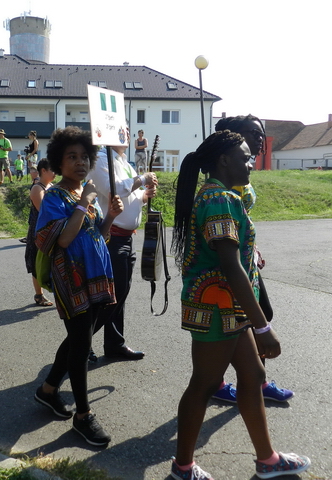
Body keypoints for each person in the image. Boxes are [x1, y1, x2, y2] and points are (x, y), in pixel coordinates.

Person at [169, 130, 310, 480]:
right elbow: (231, 267)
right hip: (217, 308)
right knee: (204, 384)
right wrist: (263, 327)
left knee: (253, 375)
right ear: (223, 160)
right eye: (245, 157)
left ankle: (268, 459)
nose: (251, 163)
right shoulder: (219, 199)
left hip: (229, 308)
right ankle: (182, 468)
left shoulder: (222, 195)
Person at [34, 126, 123, 447]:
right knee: (81, 344)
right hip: (72, 279)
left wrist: (109, 217)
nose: (80, 162)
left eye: (85, 156)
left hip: (96, 276)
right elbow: (63, 239)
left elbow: (97, 233)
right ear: (59, 162)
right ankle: (83, 415)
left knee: (78, 338)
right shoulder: (55, 196)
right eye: (72, 157)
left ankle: (47, 390)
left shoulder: (83, 194)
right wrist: (85, 202)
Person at [211, 114, 294, 404]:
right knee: (250, 318)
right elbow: (225, 225)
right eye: (253, 133)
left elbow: (242, 222)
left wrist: (253, 248)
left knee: (245, 320)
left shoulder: (240, 170)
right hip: (230, 264)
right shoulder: (225, 181)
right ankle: (241, 381)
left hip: (244, 258)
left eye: (261, 134)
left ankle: (248, 380)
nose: (260, 139)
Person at [87, 145, 157, 361]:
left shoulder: (123, 161)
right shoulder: (101, 159)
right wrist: (142, 179)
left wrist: (144, 195)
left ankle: (114, 343)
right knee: (107, 296)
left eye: (127, 129)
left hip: (126, 237)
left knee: (120, 294)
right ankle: (81, 343)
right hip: (111, 237)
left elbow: (129, 197)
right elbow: (115, 189)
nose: (126, 132)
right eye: (122, 129)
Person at [24, 159, 55, 306]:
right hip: (39, 231)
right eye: (52, 170)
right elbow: (45, 211)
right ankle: (39, 295)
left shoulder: (52, 186)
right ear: (43, 171)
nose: (55, 173)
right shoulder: (37, 188)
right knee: (38, 263)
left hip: (52, 229)